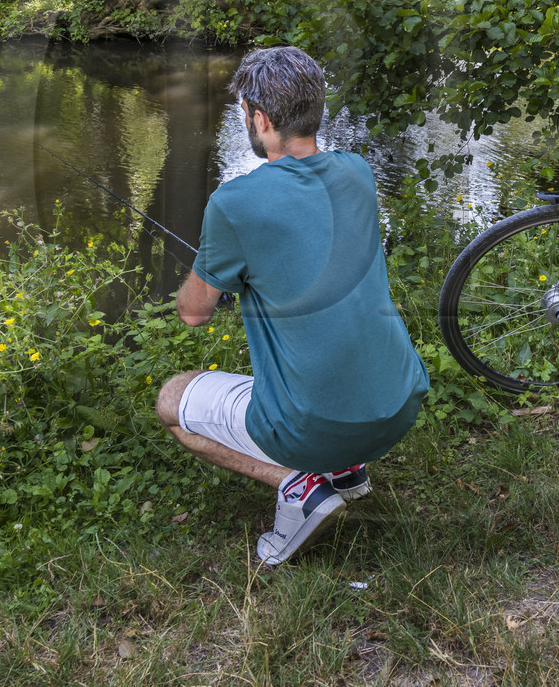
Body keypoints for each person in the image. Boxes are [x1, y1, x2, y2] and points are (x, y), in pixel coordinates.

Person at [157, 46, 430, 566]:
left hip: (316, 423)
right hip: (398, 402)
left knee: (172, 403)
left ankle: (301, 488)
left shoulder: (235, 204)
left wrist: (208, 262)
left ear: (261, 120)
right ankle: (347, 472)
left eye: (245, 115)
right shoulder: (357, 173)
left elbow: (193, 313)